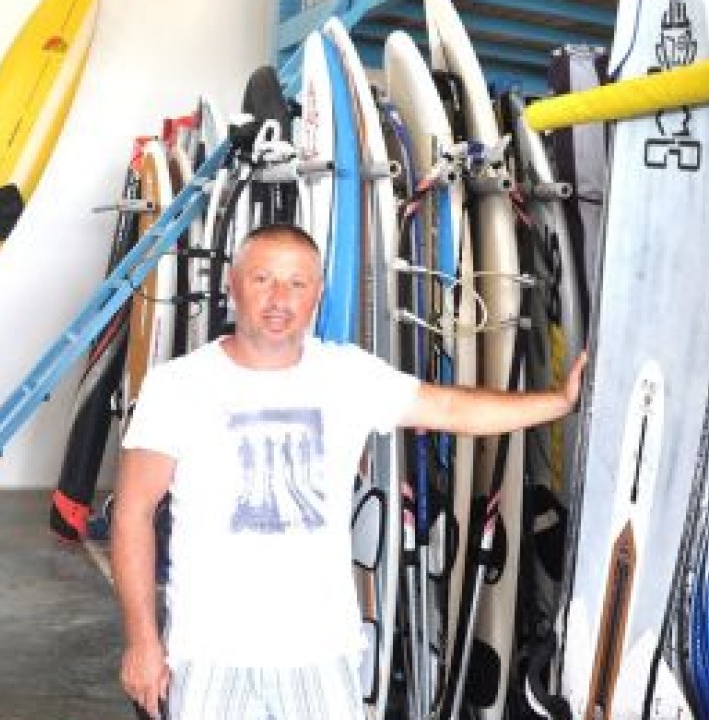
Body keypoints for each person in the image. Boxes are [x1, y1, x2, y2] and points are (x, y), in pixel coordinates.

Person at [111, 222, 587, 720]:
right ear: (233, 284)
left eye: (297, 283)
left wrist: (559, 401)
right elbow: (132, 515)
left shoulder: (347, 375)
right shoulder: (178, 386)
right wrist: (142, 641)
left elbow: (451, 408)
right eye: (263, 279)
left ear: (317, 294)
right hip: (210, 655)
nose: (279, 299)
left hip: (320, 653)